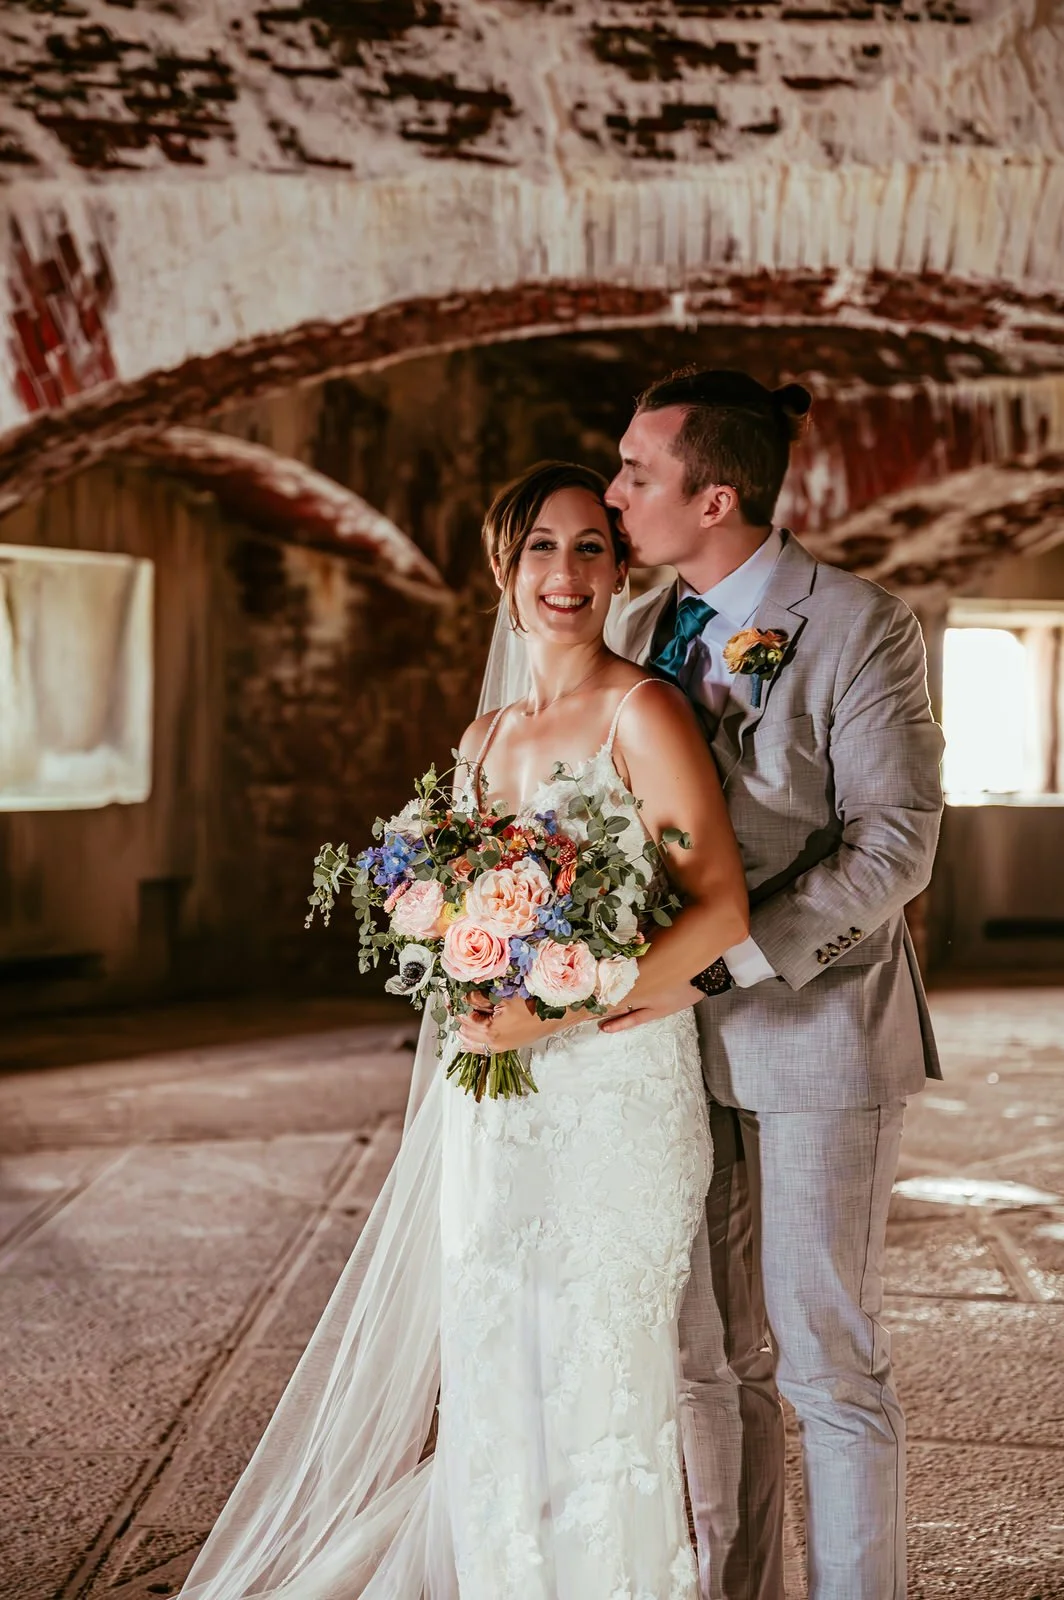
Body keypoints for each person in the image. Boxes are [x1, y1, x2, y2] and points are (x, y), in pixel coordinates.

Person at [178, 460, 749, 1600]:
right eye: (541, 547)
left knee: (597, 1381)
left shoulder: (645, 711)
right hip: (501, 1101)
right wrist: (467, 980)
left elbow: (720, 911)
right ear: (502, 568)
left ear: (620, 568)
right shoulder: (484, 738)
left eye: (592, 547)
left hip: (612, 1097)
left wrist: (555, 1003)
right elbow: (446, 912)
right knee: (496, 1360)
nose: (567, 573)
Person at [602, 368, 945, 1600]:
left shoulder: (859, 624)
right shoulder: (637, 628)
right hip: (661, 1053)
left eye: (636, 472)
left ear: (716, 495)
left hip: (816, 1034)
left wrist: (724, 965)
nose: (613, 493)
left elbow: (892, 848)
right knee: (702, 1358)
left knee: (823, 1361)